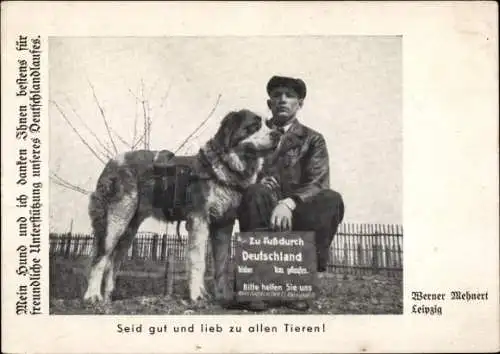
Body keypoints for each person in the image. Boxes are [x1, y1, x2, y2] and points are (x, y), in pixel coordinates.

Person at [236, 75, 345, 311]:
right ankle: (259, 285)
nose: (282, 100)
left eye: (290, 96)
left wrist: (290, 202)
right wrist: (264, 183)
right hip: (261, 205)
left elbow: (318, 181)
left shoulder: (312, 139)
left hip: (298, 210)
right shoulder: (253, 135)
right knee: (255, 192)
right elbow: (238, 170)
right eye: (277, 96)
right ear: (269, 104)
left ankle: (298, 281)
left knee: (331, 199)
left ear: (300, 103)